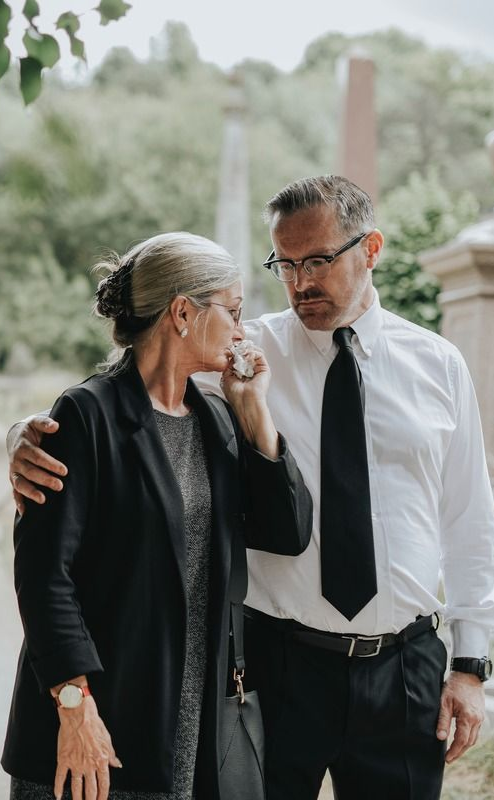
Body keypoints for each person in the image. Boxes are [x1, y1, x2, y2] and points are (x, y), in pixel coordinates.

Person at [6, 176, 494, 800]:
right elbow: (124, 391)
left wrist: (470, 665)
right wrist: (30, 432)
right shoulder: (242, 353)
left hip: (404, 669)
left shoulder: (436, 365)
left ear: (370, 248)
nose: (299, 283)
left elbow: (468, 520)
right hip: (276, 665)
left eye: (317, 261)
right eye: (284, 265)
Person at [1, 231, 313, 800]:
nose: (243, 330)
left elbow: (287, 533)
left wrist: (254, 413)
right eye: (234, 310)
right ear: (183, 312)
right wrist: (76, 709)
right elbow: (46, 578)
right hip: (91, 726)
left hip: (186, 726)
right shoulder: (85, 415)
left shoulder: (216, 419)